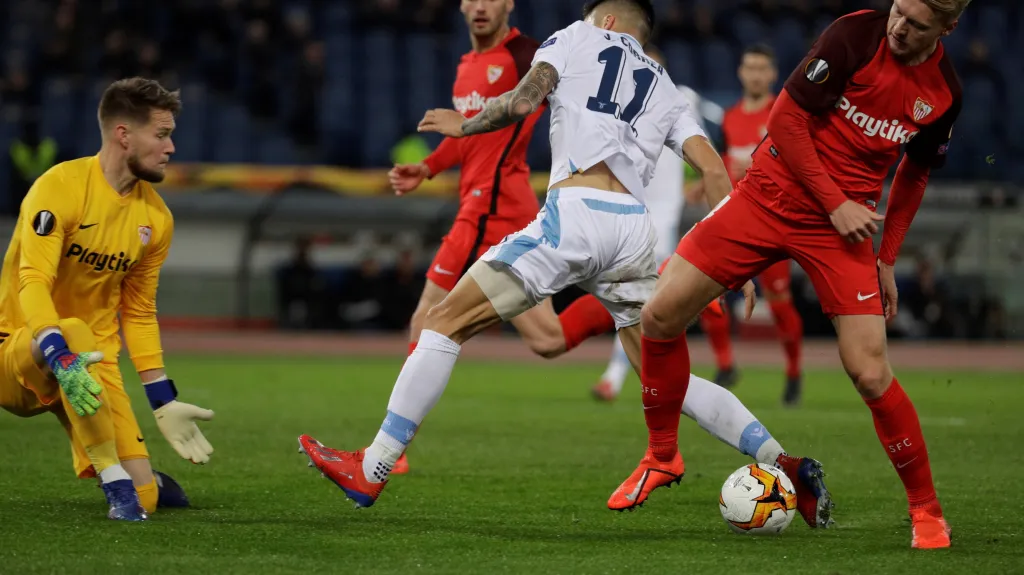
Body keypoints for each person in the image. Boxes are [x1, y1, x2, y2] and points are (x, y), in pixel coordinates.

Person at [299, 0, 833, 527]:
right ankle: (782, 462)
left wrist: (463, 128)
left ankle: (373, 467)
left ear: (603, 18)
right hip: (633, 230)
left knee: (443, 322)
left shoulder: (575, 37)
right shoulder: (666, 86)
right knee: (665, 376)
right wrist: (730, 261)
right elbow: (715, 170)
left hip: (574, 216)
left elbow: (521, 100)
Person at [638, 1, 964, 549]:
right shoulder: (854, 35)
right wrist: (836, 200)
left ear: (948, 29)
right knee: (659, 313)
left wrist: (886, 258)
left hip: (843, 229)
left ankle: (927, 512)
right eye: (899, 10)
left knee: (869, 370)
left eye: (917, 24)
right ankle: (663, 455)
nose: (899, 26)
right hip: (768, 195)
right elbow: (784, 121)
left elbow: (915, 173)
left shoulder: (944, 92)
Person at [0, 77, 215, 521]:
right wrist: (58, 352)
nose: (171, 147)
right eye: (161, 134)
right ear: (123, 135)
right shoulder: (58, 187)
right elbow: (33, 280)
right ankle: (112, 475)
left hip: (93, 363)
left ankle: (138, 480)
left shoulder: (155, 217)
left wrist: (162, 398)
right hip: (20, 349)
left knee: (147, 502)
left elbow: (138, 312)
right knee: (73, 331)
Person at [696, 43, 806, 404]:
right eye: (750, 67)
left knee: (779, 303)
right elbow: (726, 160)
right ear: (741, 72)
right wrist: (703, 183)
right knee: (704, 292)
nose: (756, 74)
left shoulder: (784, 113)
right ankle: (726, 365)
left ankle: (793, 373)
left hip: (774, 220)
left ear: (773, 74)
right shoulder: (729, 117)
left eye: (762, 68)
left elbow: (800, 164)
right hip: (735, 219)